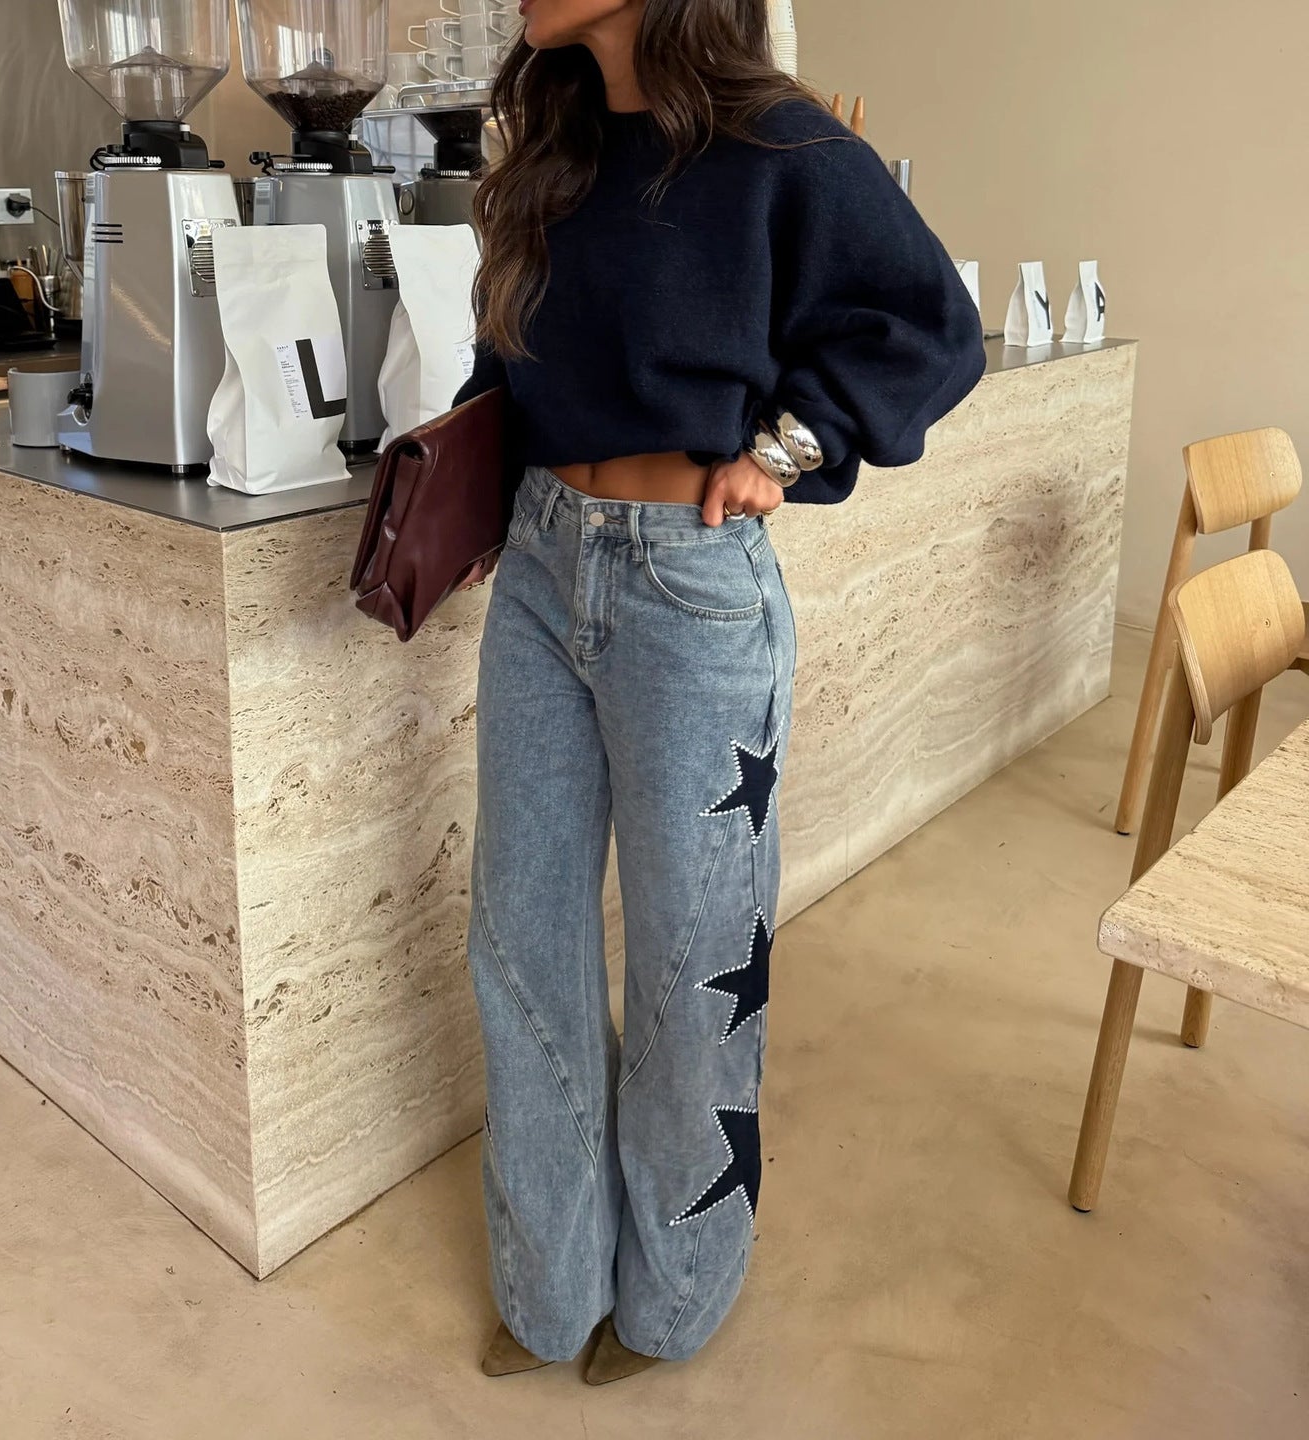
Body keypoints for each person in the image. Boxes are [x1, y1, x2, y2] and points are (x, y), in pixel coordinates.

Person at [452, 0, 985, 1384]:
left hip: (688, 587)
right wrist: (453, 472)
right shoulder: (556, 146)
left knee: (694, 964)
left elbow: (932, 325)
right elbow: (514, 360)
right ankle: (550, 1285)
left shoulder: (777, 144)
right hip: (537, 574)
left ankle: (676, 1293)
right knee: (522, 943)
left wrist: (789, 448)